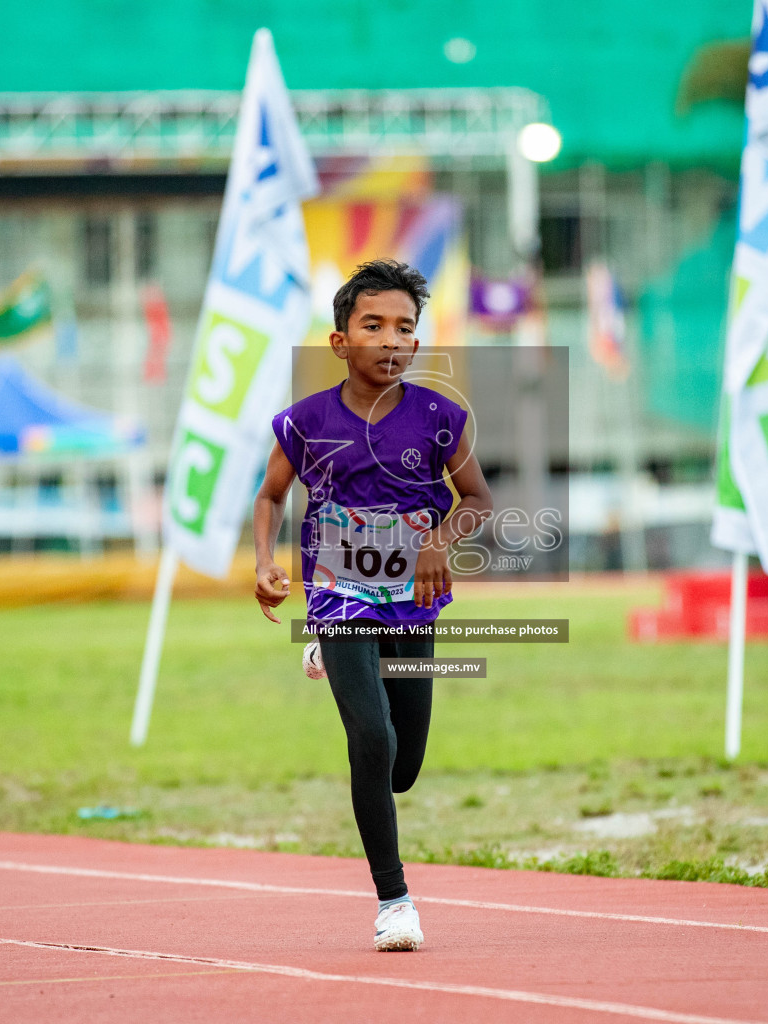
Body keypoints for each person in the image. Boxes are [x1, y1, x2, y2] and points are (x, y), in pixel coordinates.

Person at [252, 259, 492, 951]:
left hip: (411, 600)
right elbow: (271, 496)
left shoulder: (441, 417)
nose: (391, 340)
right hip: (336, 593)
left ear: (417, 343)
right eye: (374, 325)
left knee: (403, 766)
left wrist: (439, 541)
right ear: (339, 341)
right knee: (373, 739)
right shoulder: (305, 421)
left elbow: (476, 499)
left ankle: (339, 665)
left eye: (405, 328)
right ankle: (395, 901)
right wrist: (266, 564)